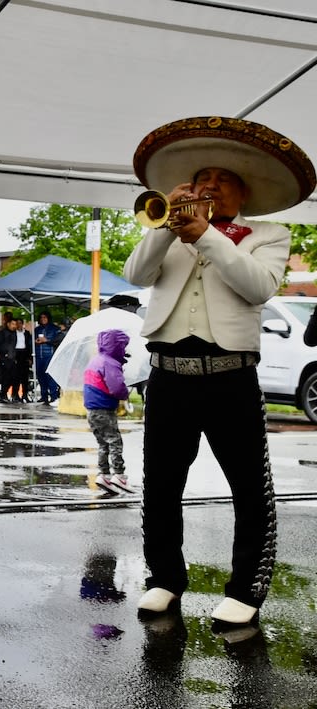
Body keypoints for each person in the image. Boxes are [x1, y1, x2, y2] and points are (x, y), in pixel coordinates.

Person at [123, 116, 315, 627]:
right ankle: (163, 578)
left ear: (244, 191)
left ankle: (245, 588)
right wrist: (166, 230)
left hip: (230, 376)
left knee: (248, 487)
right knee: (161, 484)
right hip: (168, 374)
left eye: (222, 179)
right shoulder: (170, 228)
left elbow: (257, 287)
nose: (208, 185)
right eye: (202, 177)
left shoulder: (269, 234)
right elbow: (135, 274)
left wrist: (208, 235)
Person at [83, 328, 130, 490]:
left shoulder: (96, 360)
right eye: (123, 346)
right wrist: (125, 393)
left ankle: (104, 474)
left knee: (103, 443)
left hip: (92, 409)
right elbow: (116, 387)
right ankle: (119, 474)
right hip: (105, 408)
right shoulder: (110, 363)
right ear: (117, 346)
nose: (124, 350)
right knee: (115, 441)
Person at [34, 312, 63, 403]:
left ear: (48, 318)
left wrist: (47, 340)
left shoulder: (55, 329)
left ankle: (54, 396)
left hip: (50, 356)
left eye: (45, 317)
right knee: (41, 377)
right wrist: (34, 341)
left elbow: (57, 341)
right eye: (41, 317)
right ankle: (44, 396)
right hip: (39, 356)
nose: (43, 319)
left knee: (50, 376)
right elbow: (30, 342)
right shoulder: (36, 329)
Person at [0, 316, 21, 404]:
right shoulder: (2, 332)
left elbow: (13, 345)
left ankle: (10, 395)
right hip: (4, 359)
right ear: (8, 324)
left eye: (15, 324)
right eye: (13, 324)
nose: (14, 326)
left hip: (12, 358)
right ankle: (3, 395)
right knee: (5, 378)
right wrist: (4, 353)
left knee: (15, 378)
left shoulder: (14, 333)